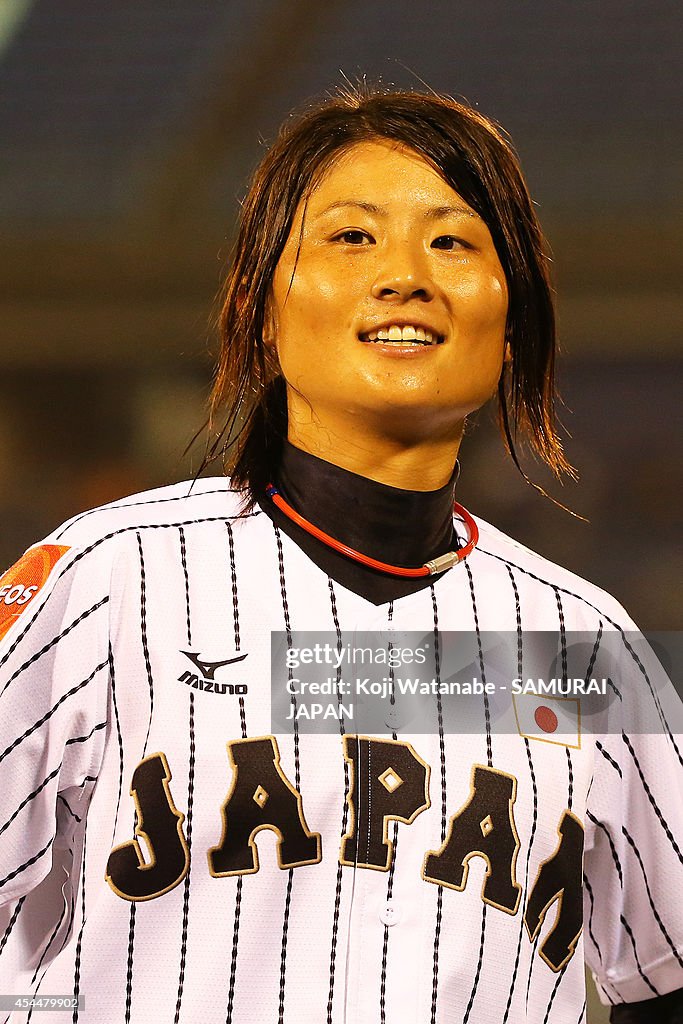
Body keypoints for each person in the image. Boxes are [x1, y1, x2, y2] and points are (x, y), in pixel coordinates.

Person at [0, 84, 681, 1024]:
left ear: (510, 319)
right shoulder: (109, 577)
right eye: (352, 237)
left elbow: (665, 972)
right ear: (261, 307)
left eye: (452, 241)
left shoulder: (575, 647)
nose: (405, 275)